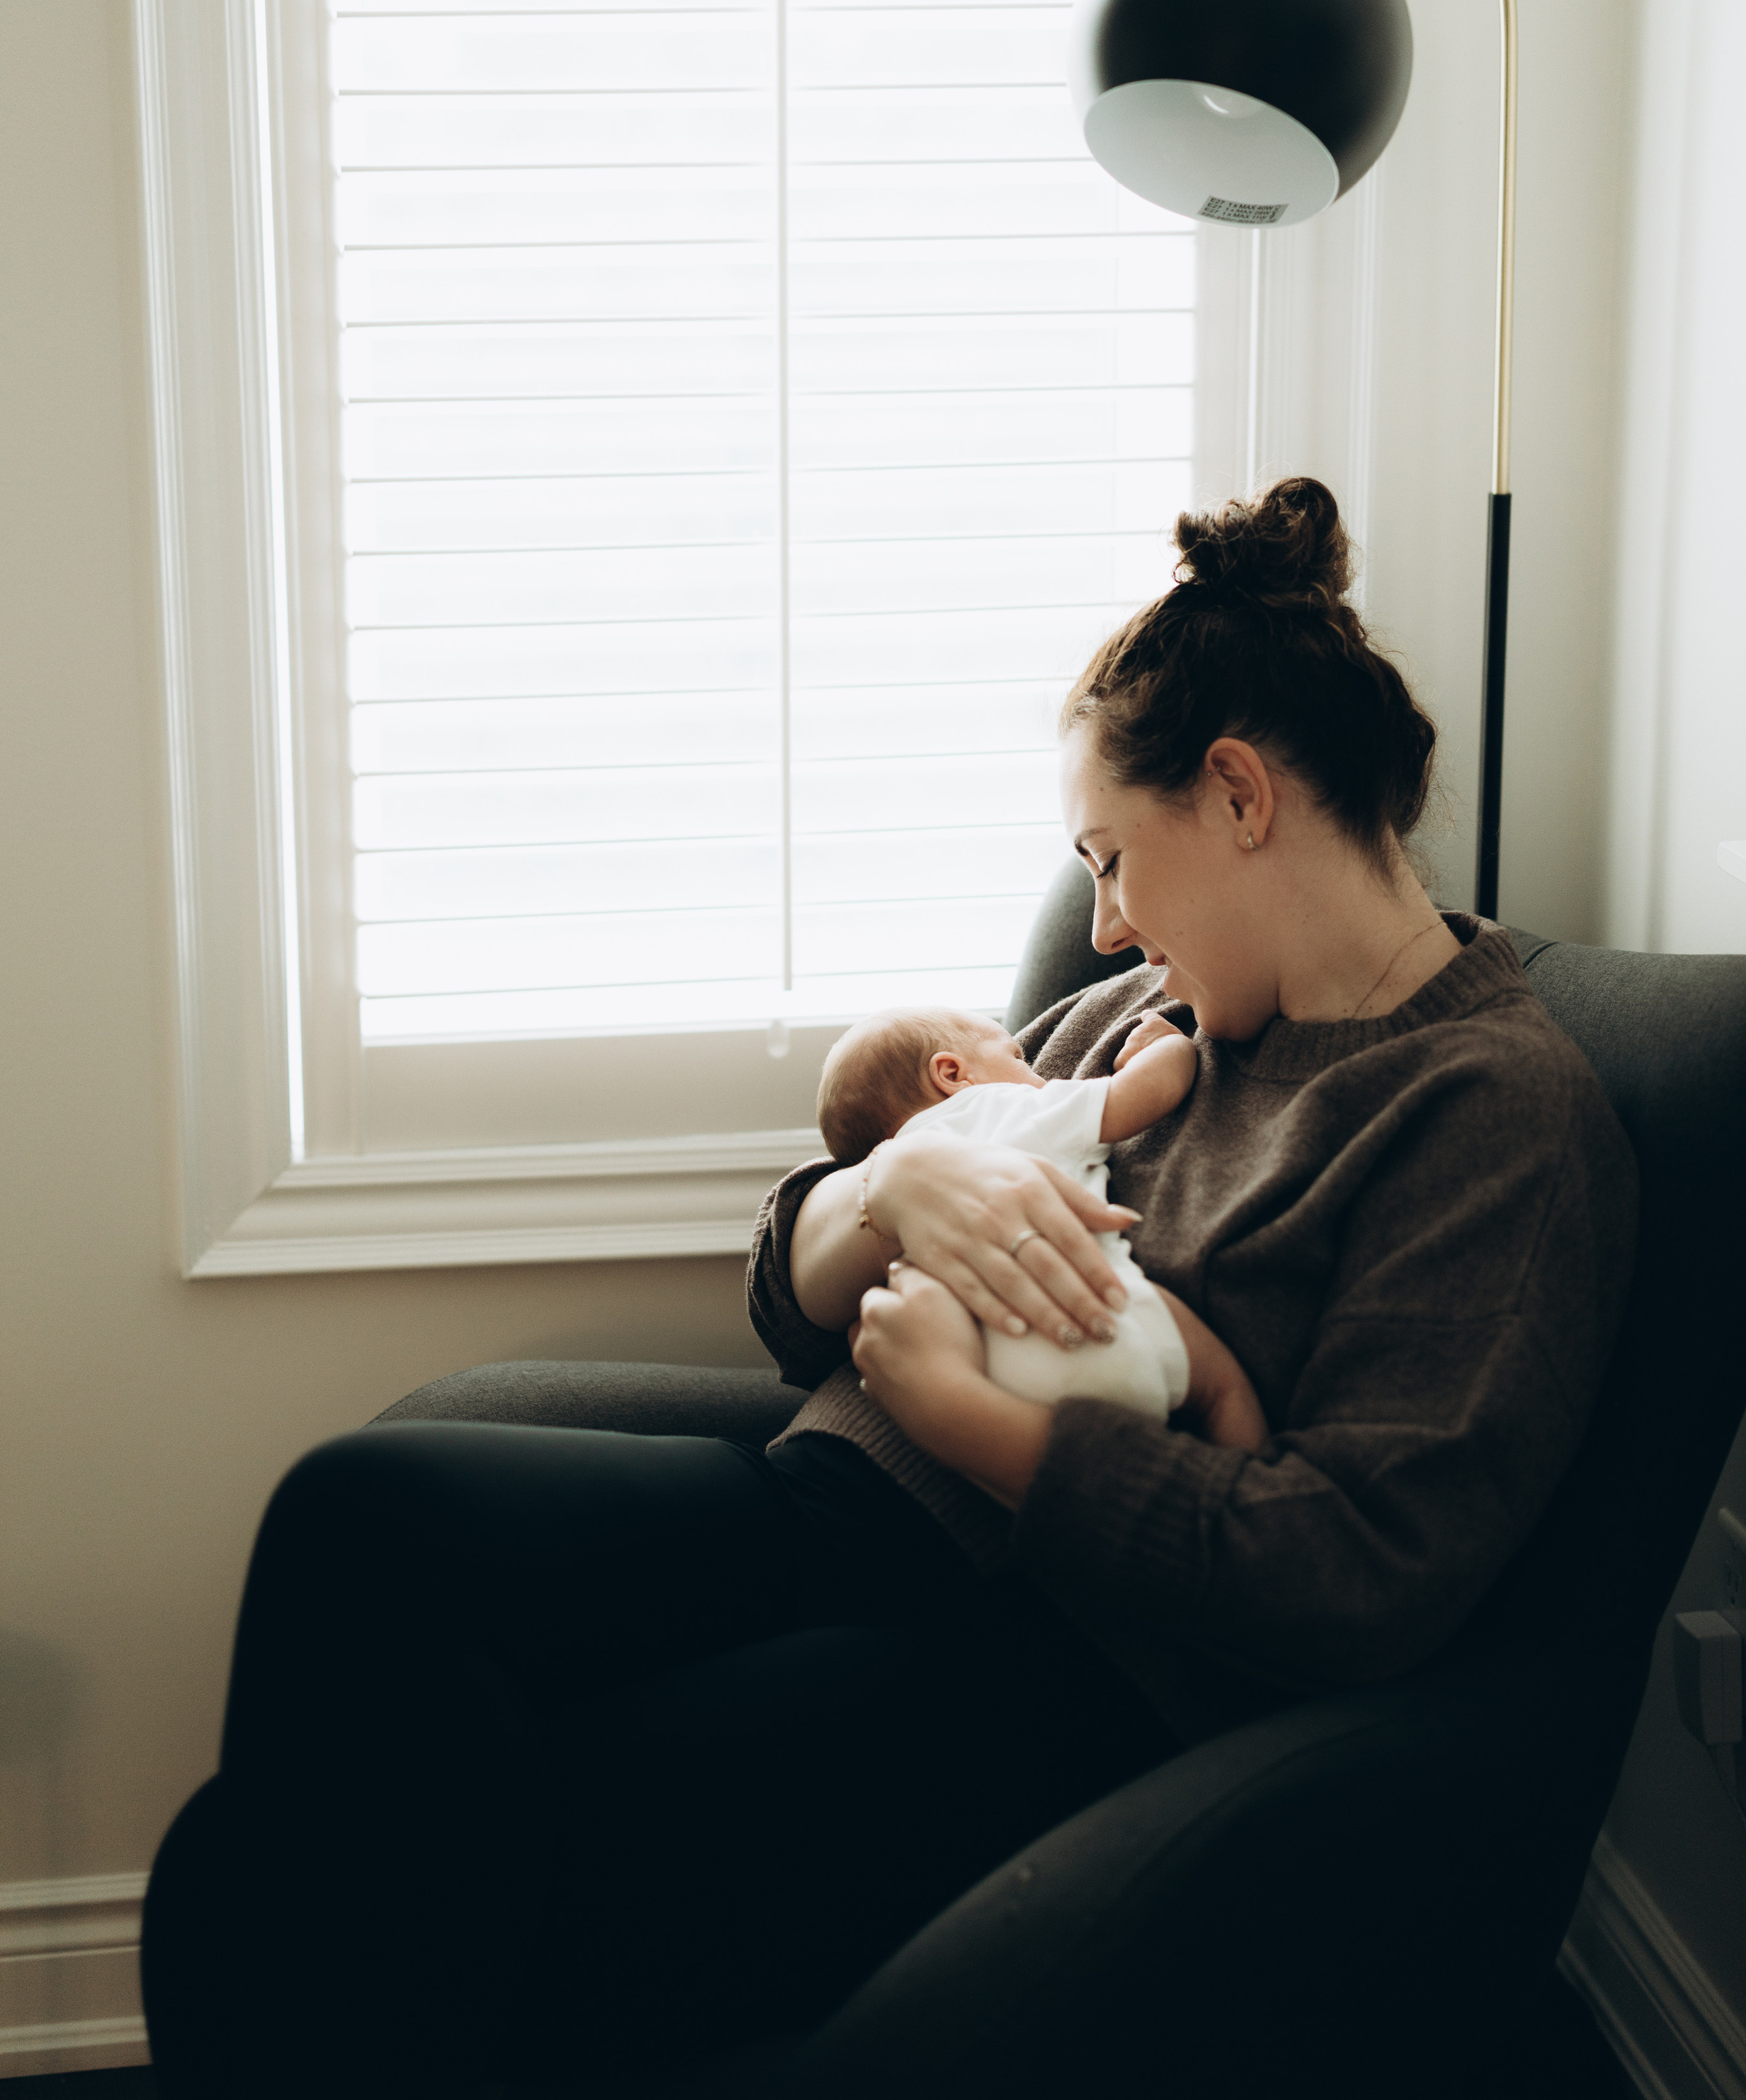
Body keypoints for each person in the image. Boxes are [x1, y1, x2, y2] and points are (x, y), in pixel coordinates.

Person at [140, 476, 1637, 2100]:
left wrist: (981, 1426)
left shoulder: (1490, 1117)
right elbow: (786, 1311)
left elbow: (1352, 1571)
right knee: (358, 1512)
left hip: (1049, 1656)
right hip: (830, 1504)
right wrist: (882, 1186)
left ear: (1236, 794)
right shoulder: (1129, 1016)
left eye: (1110, 856)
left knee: (375, 1854)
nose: (1108, 915)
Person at [814, 1003, 1264, 1437]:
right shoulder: (997, 1106)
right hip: (1098, 1320)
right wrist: (1170, 1048)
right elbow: (1139, 1096)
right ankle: (1259, 1480)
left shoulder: (893, 1174)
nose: (1040, 1074)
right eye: (1019, 1057)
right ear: (951, 1074)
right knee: (1222, 1390)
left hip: (993, 1365)